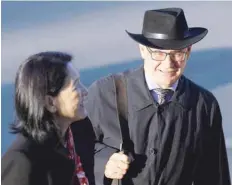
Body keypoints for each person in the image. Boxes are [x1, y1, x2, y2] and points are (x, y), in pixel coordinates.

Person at [85, 8, 231, 185]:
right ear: (143, 51)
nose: (168, 64)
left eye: (178, 53)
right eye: (159, 53)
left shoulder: (203, 105)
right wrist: (104, 162)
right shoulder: (105, 92)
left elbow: (214, 175)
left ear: (189, 51)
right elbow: (74, 148)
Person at [1, 52, 95, 185]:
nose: (85, 91)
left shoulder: (75, 138)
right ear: (51, 103)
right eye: (76, 86)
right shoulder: (22, 162)